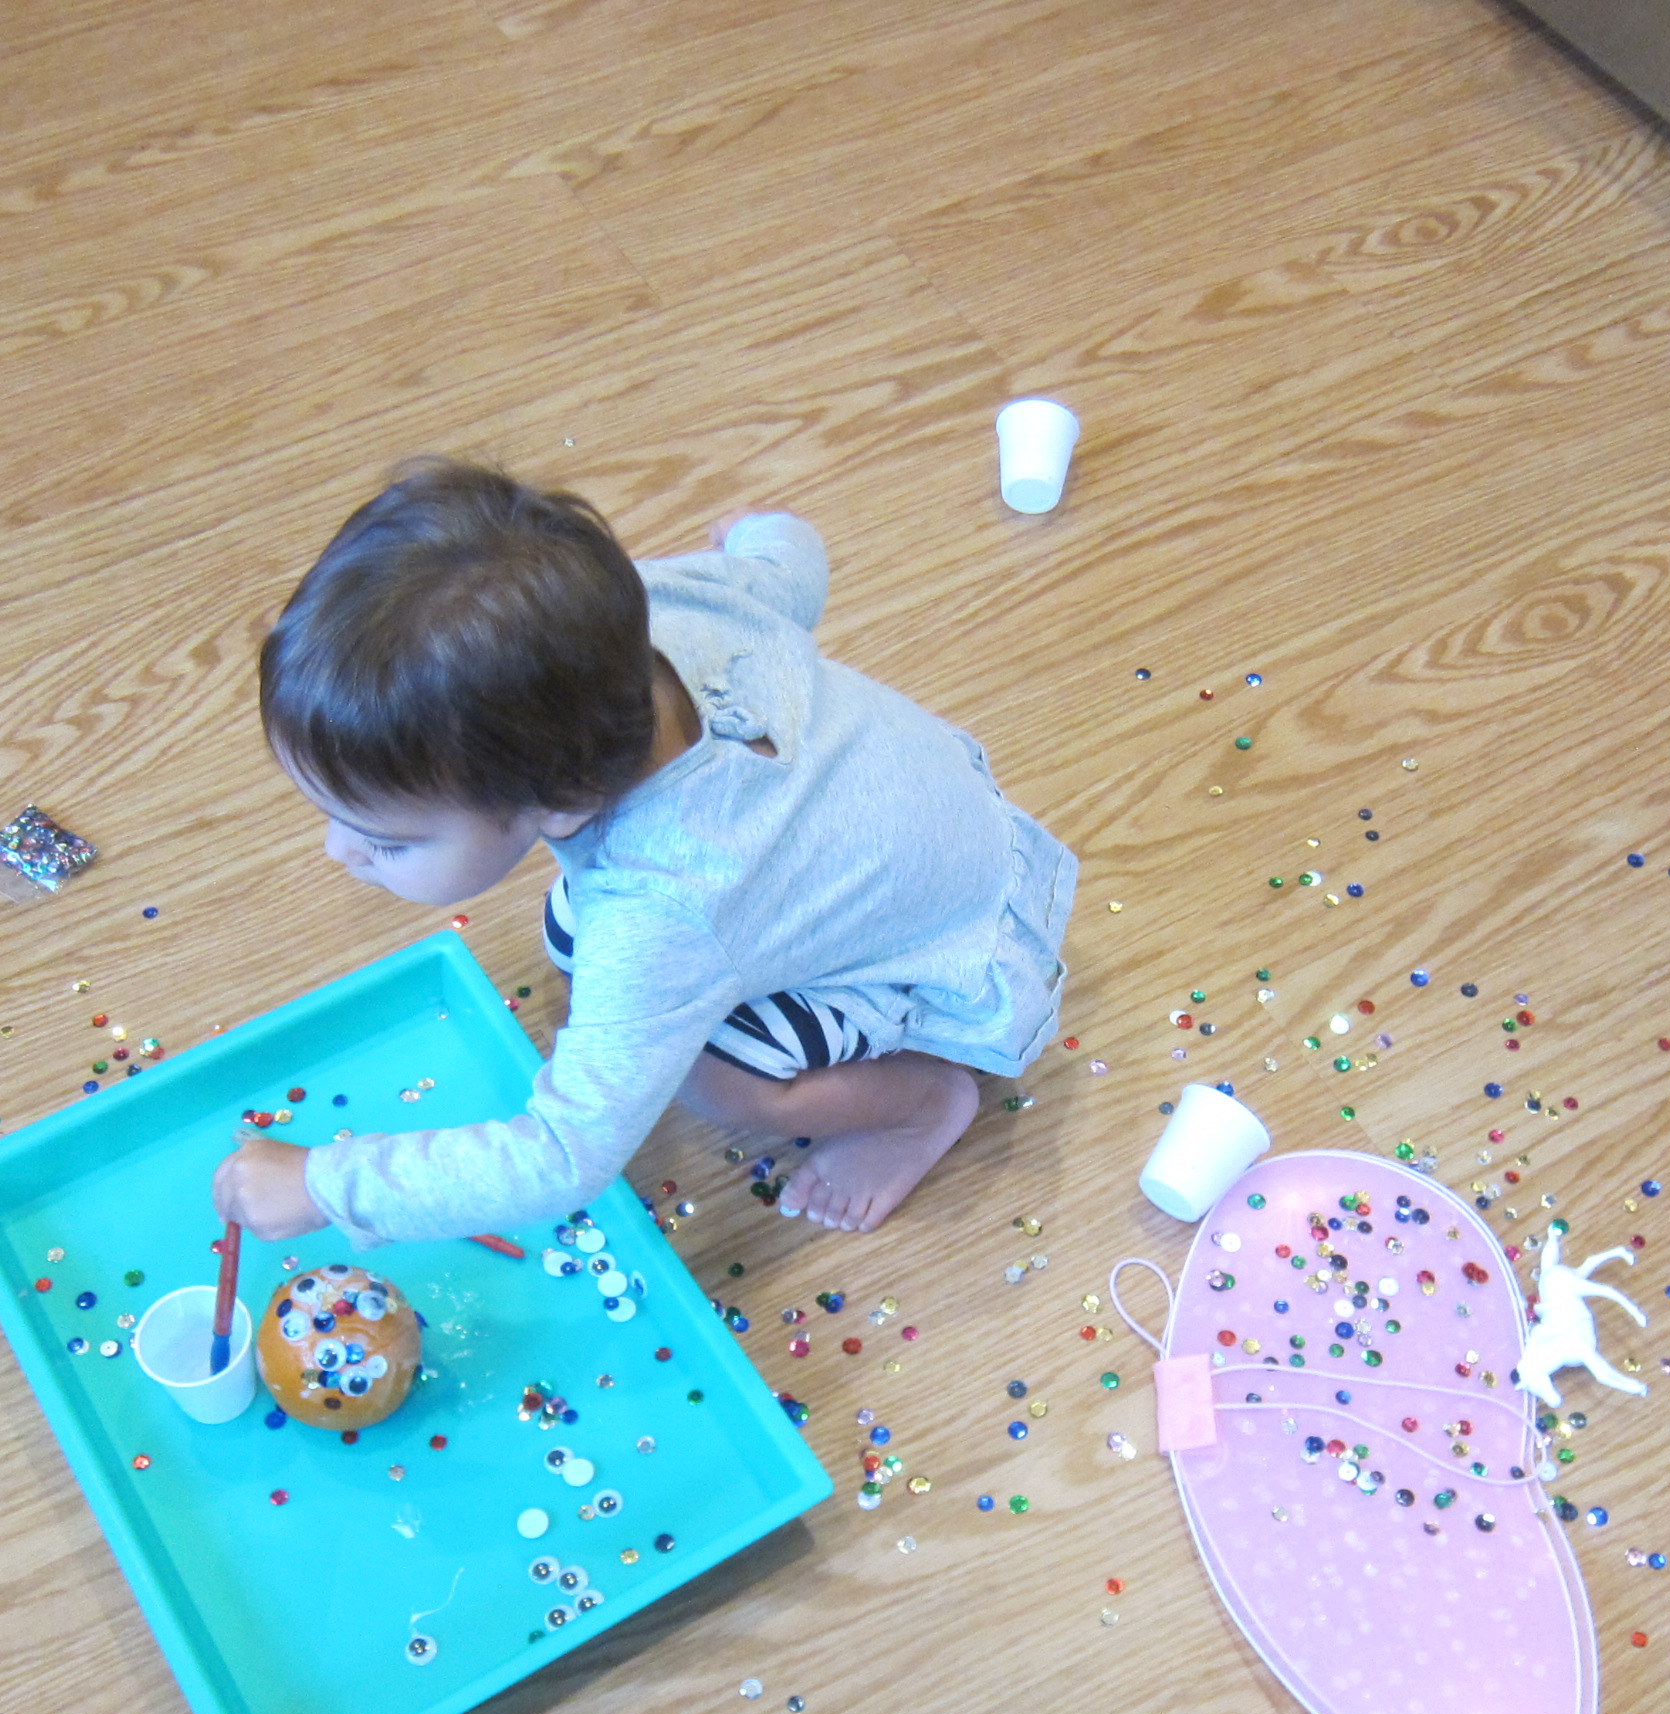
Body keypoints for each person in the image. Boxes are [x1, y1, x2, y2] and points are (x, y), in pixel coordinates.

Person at [211, 459, 1075, 1247]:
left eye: (385, 840)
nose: (338, 853)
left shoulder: (665, 910)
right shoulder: (649, 610)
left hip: (933, 940)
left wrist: (326, 1186)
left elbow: (561, 1157)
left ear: (563, 802)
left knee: (714, 1076)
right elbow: (789, 570)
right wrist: (756, 531)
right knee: (573, 933)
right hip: (924, 827)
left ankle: (920, 1106)